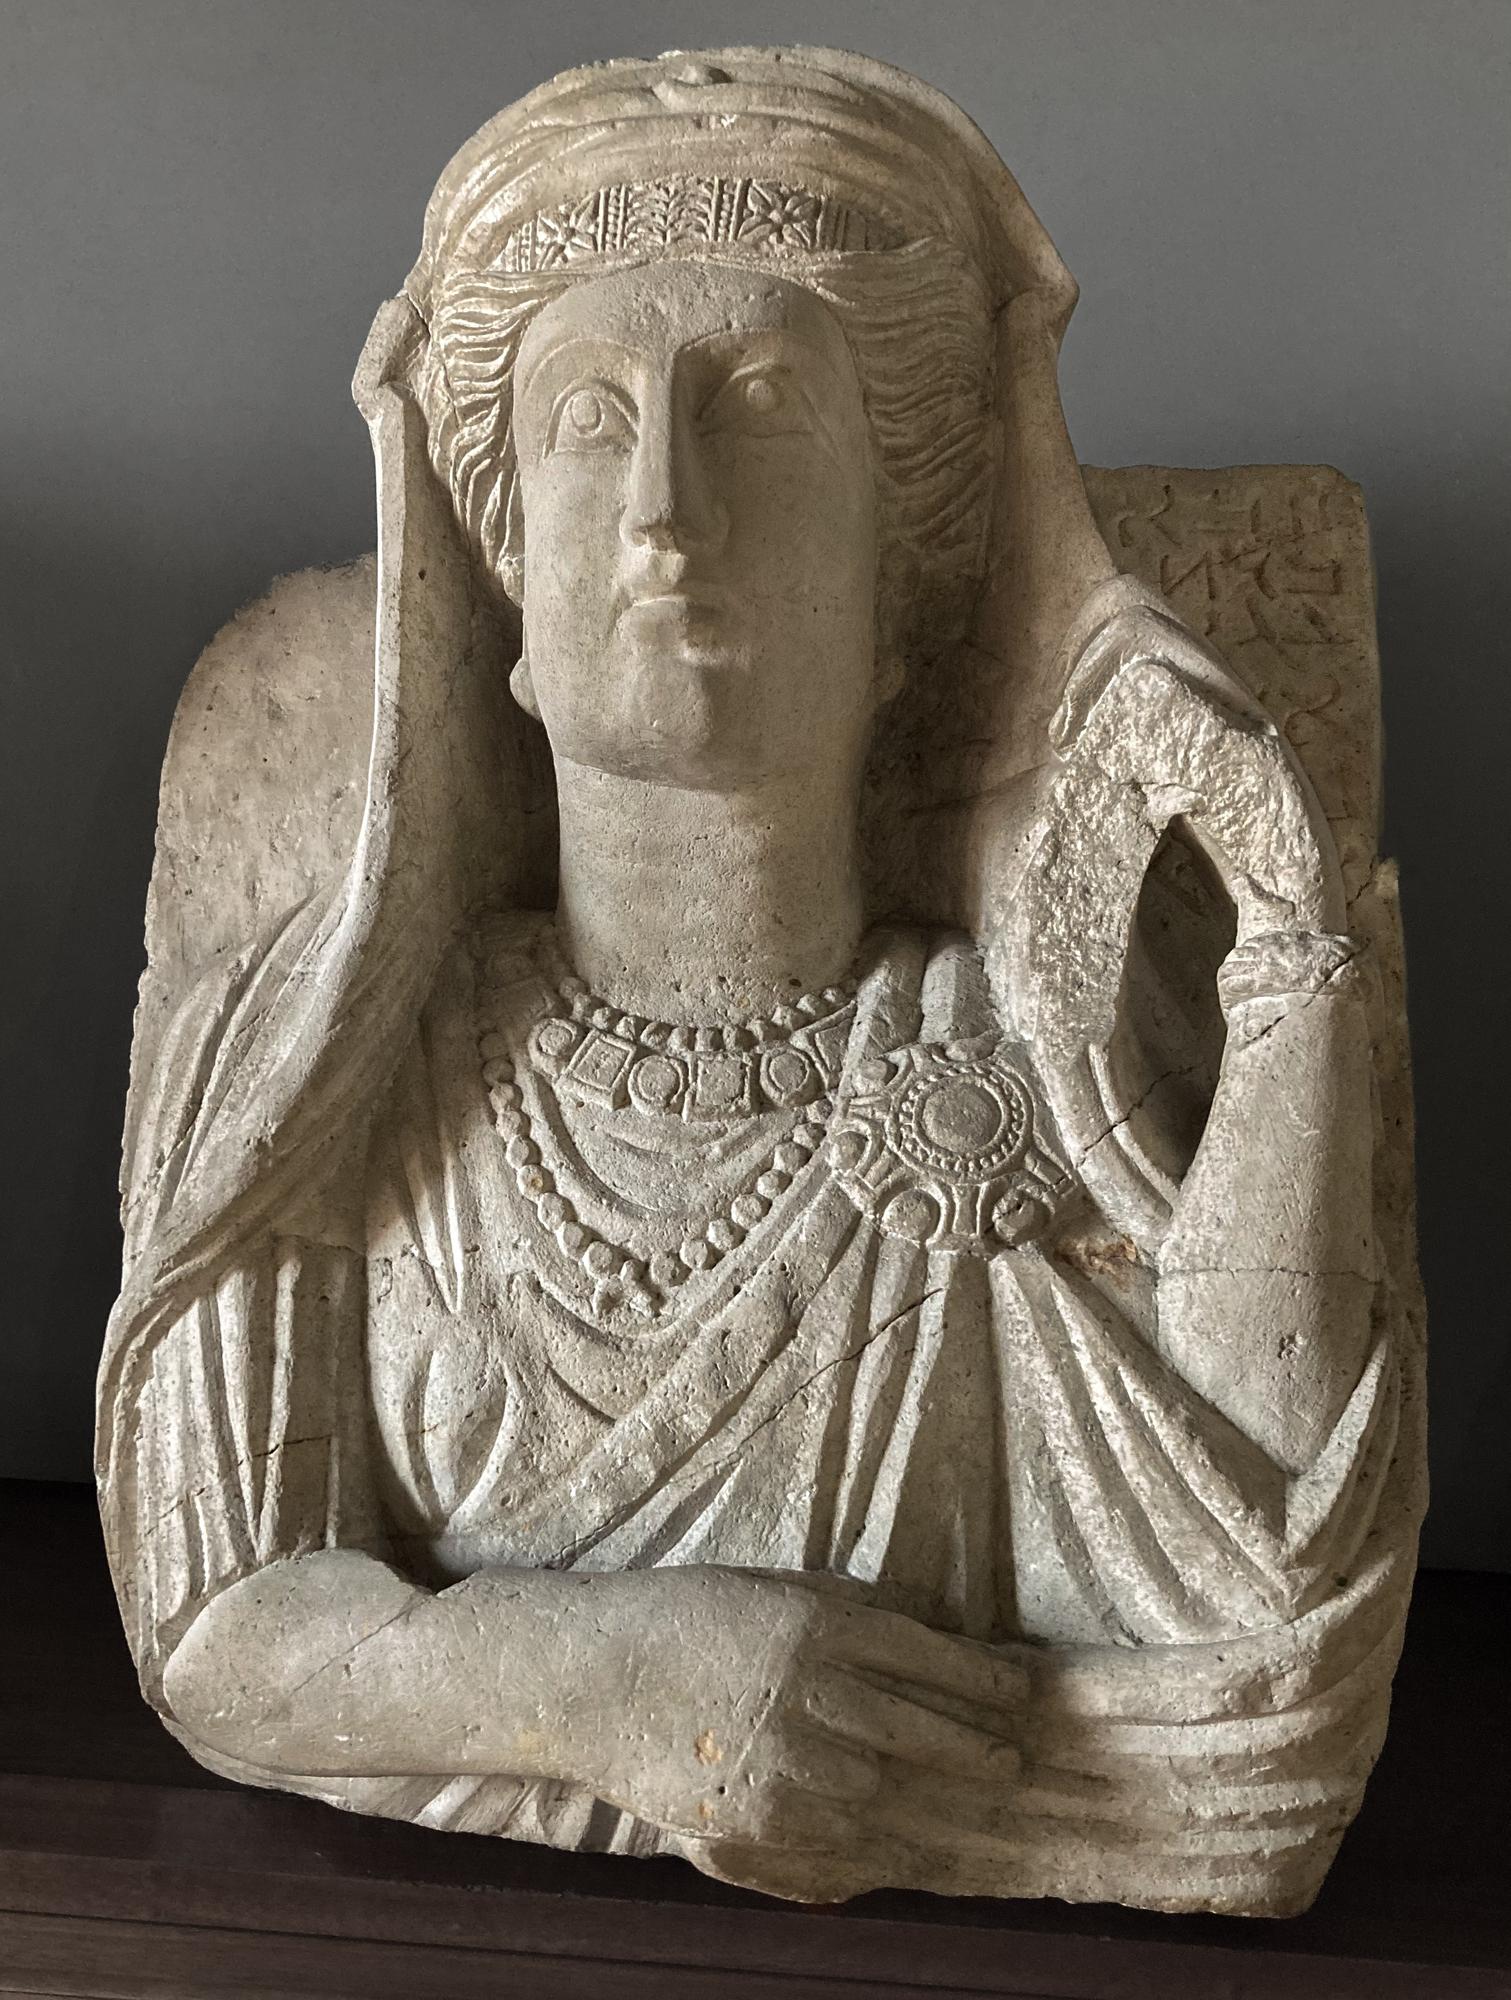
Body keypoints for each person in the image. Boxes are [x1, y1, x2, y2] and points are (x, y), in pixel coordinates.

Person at [97, 48, 1420, 1911]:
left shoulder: (1026, 1063)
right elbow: (213, 1611)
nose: (666, 505)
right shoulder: (325, 1062)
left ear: (902, 590)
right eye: (587, 420)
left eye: (765, 408)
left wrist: (1286, 938)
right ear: (505, 602)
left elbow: (1269, 1635)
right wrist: (607, 1681)